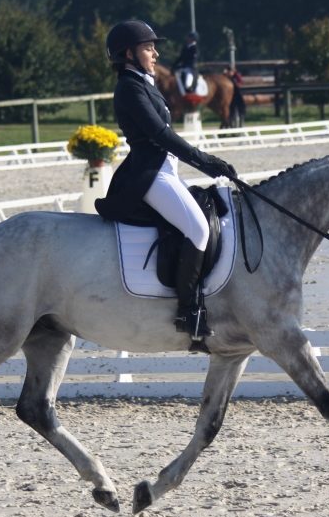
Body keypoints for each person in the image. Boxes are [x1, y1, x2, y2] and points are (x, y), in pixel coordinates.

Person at [96, 20, 236, 341]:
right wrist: (206, 161)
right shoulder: (130, 88)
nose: (156, 53)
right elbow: (160, 135)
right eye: (149, 47)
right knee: (199, 229)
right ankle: (189, 311)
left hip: (165, 170)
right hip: (150, 174)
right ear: (128, 53)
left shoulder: (145, 82)